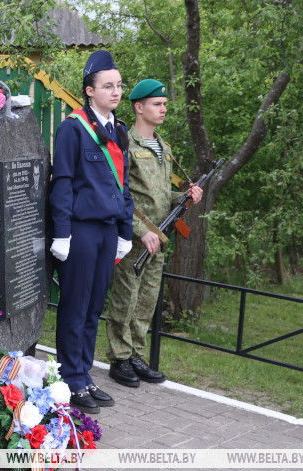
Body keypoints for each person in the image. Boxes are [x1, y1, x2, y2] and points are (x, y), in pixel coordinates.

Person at [48, 50, 134, 414]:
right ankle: (70, 377)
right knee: (75, 305)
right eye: (107, 86)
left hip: (108, 231)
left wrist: (125, 231)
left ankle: (84, 373)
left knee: (94, 305)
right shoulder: (73, 128)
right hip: (81, 232)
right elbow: (63, 183)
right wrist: (62, 232)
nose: (115, 92)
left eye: (118, 86)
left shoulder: (117, 130)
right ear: (89, 90)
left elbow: (124, 186)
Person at [105, 79, 203, 387]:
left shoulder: (165, 148)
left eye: (163, 105)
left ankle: (136, 356)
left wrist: (185, 196)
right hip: (135, 237)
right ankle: (119, 359)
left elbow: (161, 195)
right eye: (156, 104)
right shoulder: (125, 145)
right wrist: (138, 230)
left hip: (158, 238)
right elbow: (118, 194)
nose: (163, 109)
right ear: (138, 107)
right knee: (125, 298)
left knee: (146, 300)